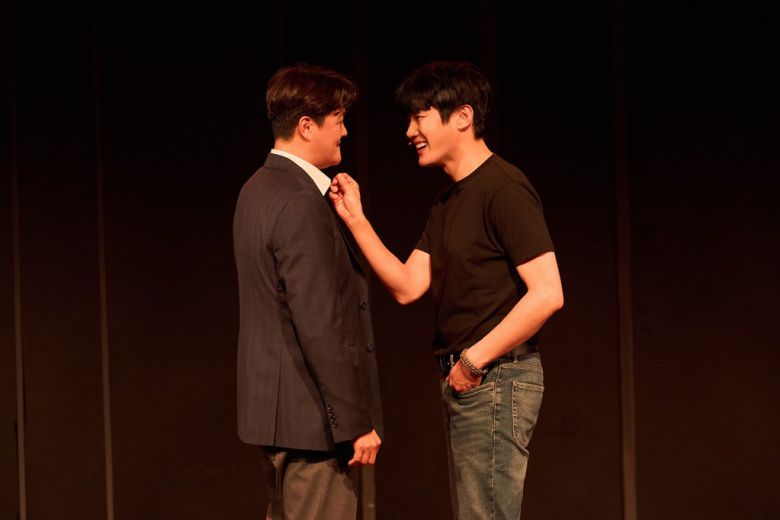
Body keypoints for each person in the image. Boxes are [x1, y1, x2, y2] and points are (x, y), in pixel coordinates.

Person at [329, 61, 563, 519]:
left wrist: (474, 362)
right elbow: (407, 285)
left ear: (462, 116)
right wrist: (355, 218)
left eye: (419, 117)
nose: (409, 131)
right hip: (471, 382)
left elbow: (548, 292)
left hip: (495, 378)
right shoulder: (447, 202)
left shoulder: (503, 188)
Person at [233, 64, 383, 519]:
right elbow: (319, 322)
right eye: (338, 120)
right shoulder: (300, 200)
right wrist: (354, 422)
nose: (345, 132)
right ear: (306, 126)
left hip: (277, 418)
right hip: (310, 424)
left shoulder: (256, 189)